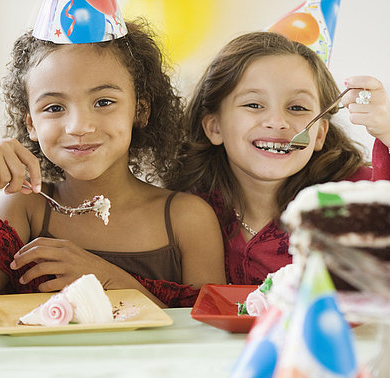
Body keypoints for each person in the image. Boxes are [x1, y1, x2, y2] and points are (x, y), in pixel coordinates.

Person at [0, 19, 226, 307]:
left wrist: (108, 278)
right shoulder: (26, 206)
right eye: (54, 107)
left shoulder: (187, 219)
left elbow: (206, 334)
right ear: (31, 124)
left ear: (140, 109)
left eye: (103, 102)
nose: (79, 126)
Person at [167, 31, 390, 285]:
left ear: (319, 135)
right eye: (254, 105)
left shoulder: (352, 196)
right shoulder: (190, 211)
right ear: (214, 127)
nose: (277, 122)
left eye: (297, 108)